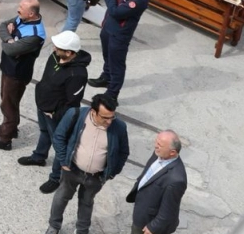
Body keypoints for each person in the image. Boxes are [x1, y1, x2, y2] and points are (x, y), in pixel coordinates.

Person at [47, 94, 130, 231]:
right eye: (105, 117)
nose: (109, 121)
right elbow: (58, 137)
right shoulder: (76, 115)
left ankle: (82, 230)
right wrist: (64, 161)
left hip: (96, 177)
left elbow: (123, 152)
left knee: (86, 203)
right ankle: (54, 226)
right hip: (71, 170)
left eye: (112, 117)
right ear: (93, 112)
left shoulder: (119, 127)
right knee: (61, 198)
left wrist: (111, 173)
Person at [19, 30, 91, 182]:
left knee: (60, 145)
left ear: (69, 52)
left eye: (58, 48)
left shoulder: (78, 74)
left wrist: (55, 113)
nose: (53, 49)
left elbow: (72, 102)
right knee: (44, 132)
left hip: (55, 114)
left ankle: (56, 177)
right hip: (43, 106)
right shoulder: (54, 57)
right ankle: (39, 157)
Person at [0, 0, 46, 150]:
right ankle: (9, 127)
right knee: (7, 100)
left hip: (17, 73)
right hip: (9, 68)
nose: (17, 10)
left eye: (21, 8)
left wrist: (8, 42)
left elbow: (10, 49)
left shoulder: (35, 35)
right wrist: (9, 38)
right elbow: (2, 26)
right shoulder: (22, 18)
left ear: (31, 14)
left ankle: (4, 140)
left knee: (9, 104)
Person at [94, 0, 149, 98]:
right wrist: (112, 2)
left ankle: (112, 94)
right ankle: (105, 77)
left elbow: (117, 12)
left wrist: (112, 2)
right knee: (107, 56)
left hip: (119, 34)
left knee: (117, 64)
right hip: (107, 27)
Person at [127, 131, 187, 234]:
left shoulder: (176, 179)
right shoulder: (159, 154)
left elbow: (169, 209)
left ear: (172, 152)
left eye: (160, 145)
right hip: (141, 213)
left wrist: (153, 227)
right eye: (156, 142)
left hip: (149, 225)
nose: (156, 146)